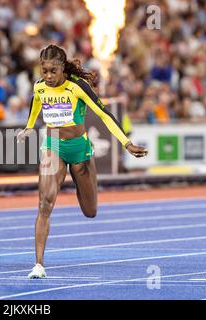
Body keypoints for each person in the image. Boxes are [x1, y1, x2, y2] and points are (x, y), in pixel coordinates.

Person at [17, 44, 148, 278]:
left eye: (53, 72)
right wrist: (28, 128)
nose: (48, 77)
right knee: (44, 204)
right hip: (53, 146)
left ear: (63, 69)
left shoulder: (77, 87)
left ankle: (79, 185)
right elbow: (36, 105)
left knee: (90, 210)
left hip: (80, 150)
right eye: (44, 71)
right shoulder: (39, 87)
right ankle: (38, 264)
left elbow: (104, 115)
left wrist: (126, 144)